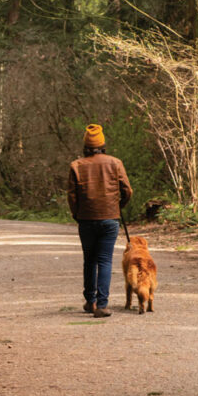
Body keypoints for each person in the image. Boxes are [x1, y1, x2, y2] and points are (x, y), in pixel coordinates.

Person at [67, 124, 132, 318]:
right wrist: (118, 206)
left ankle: (90, 301)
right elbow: (127, 190)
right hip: (110, 218)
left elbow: (72, 196)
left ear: (85, 145)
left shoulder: (76, 165)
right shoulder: (115, 163)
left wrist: (77, 214)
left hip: (86, 219)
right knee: (104, 260)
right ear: (102, 144)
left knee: (90, 260)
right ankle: (102, 305)